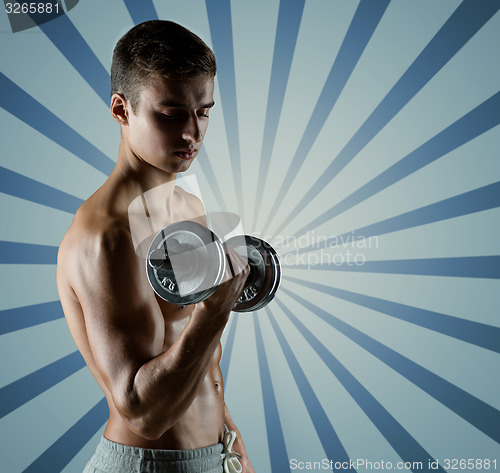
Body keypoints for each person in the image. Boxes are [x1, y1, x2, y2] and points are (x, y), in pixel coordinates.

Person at [57, 20, 255, 473]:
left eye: (203, 111)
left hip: (214, 456)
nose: (193, 133)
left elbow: (202, 363)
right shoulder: (103, 237)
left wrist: (235, 450)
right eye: (170, 114)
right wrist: (214, 310)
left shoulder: (184, 204)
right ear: (121, 110)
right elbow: (144, 412)